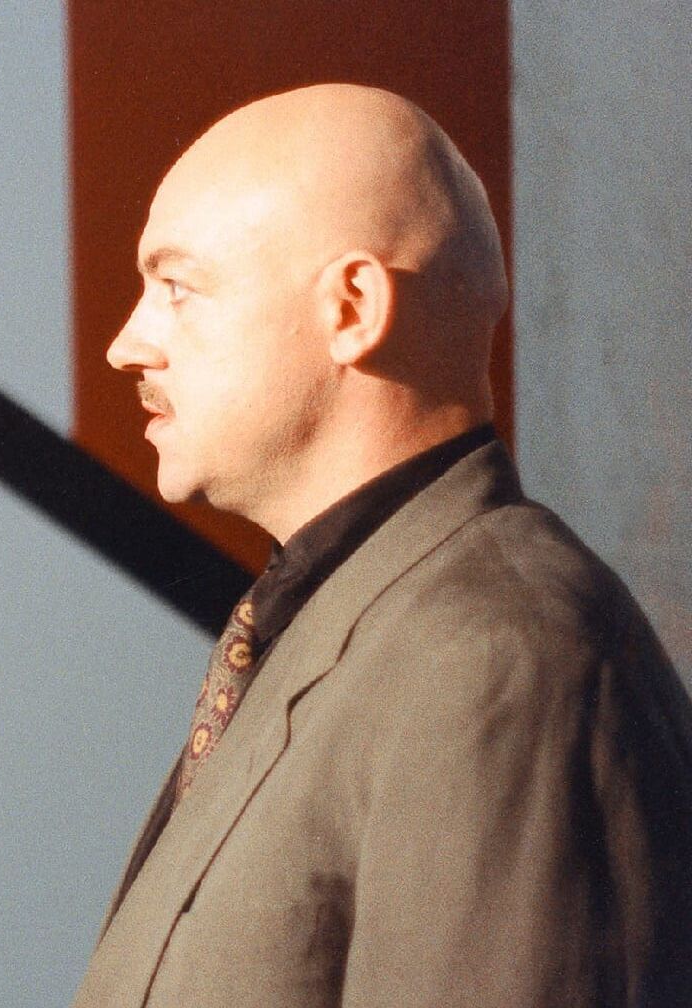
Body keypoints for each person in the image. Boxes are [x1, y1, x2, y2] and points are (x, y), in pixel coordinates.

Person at [72, 84, 692, 1007]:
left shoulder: (500, 658)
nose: (128, 345)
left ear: (354, 307)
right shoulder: (364, 624)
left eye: (177, 287)